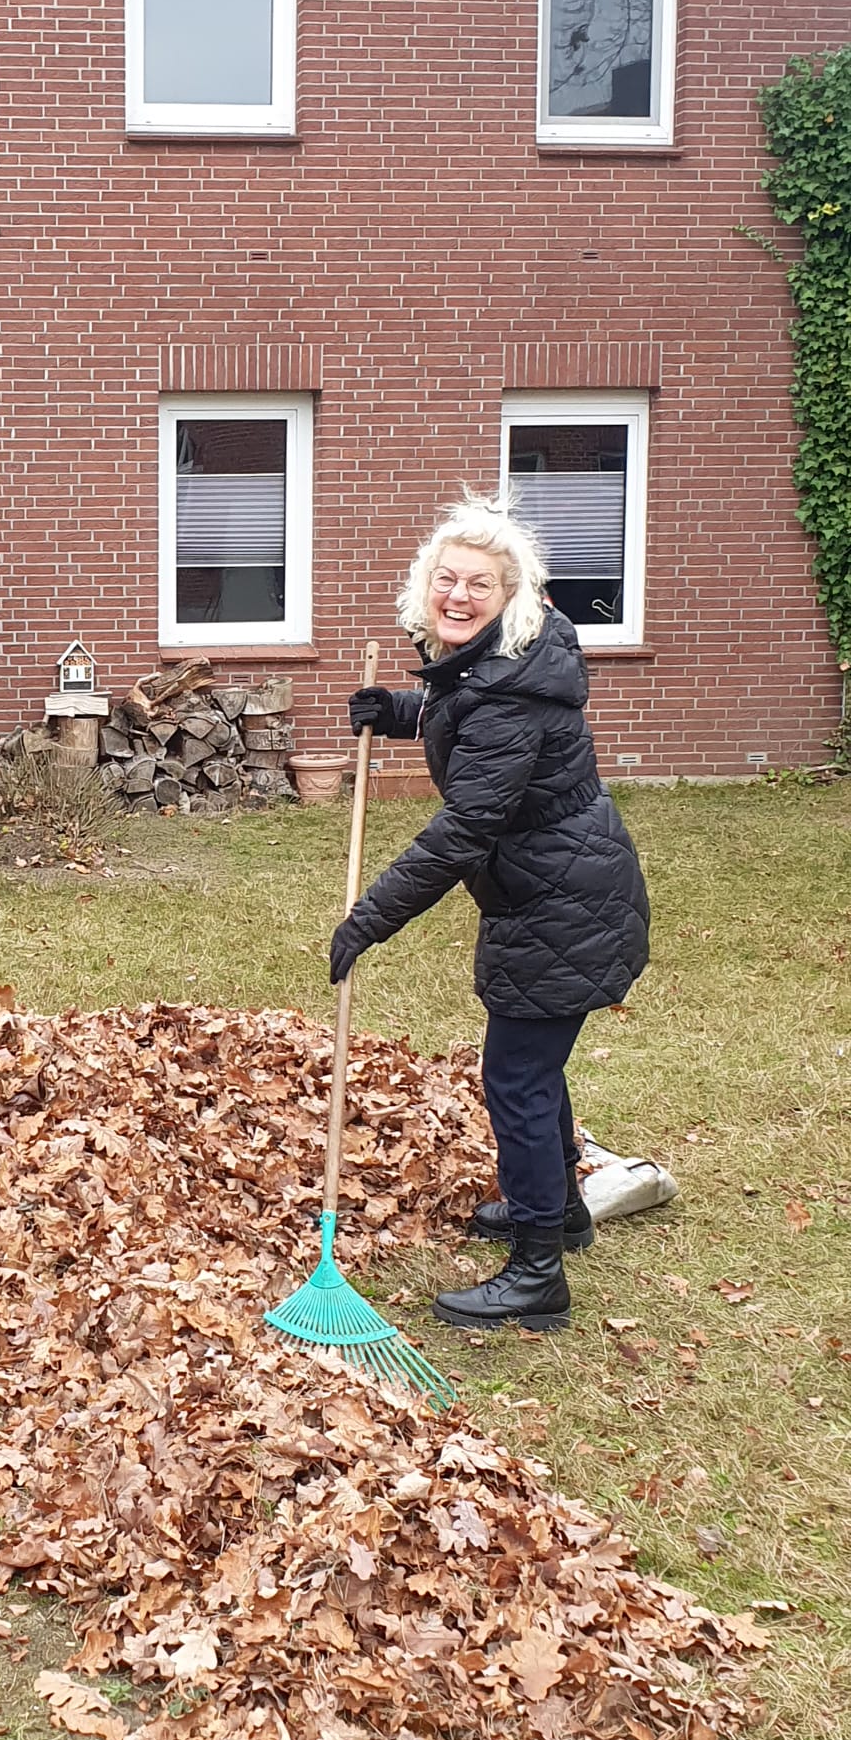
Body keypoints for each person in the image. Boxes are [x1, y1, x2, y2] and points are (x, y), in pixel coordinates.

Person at [328, 497, 649, 1330]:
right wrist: (397, 712)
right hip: (557, 891)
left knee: (518, 1079)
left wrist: (370, 918)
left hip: (560, 905)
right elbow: (457, 713)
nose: (458, 595)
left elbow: (466, 828)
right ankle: (563, 1214)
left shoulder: (510, 691)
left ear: (513, 596)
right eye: (447, 578)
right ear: (424, 585)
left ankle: (538, 1274)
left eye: (479, 584)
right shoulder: (493, 666)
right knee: (533, 1072)